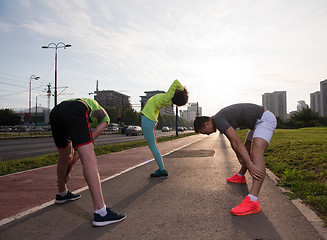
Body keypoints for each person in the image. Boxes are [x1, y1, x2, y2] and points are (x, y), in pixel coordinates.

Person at [49, 98, 126, 226]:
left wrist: (71, 162)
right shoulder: (105, 118)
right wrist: (73, 163)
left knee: (64, 156)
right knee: (89, 157)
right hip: (75, 109)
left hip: (56, 112)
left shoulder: (90, 106)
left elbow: (71, 153)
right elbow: (90, 140)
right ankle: (101, 212)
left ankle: (62, 193)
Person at [194, 103, 277, 216]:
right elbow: (233, 142)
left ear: (207, 123)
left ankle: (253, 201)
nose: (208, 134)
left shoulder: (219, 120)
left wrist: (250, 165)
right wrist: (239, 156)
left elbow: (236, 142)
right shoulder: (219, 120)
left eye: (205, 132)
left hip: (264, 120)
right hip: (256, 123)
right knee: (246, 148)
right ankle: (240, 176)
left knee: (256, 152)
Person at [141, 79, 188, 178]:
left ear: (176, 93)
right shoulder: (168, 100)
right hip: (150, 119)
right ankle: (162, 169)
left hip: (148, 119)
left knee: (153, 146)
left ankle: (162, 170)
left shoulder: (168, 97)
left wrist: (182, 91)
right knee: (154, 146)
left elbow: (176, 82)